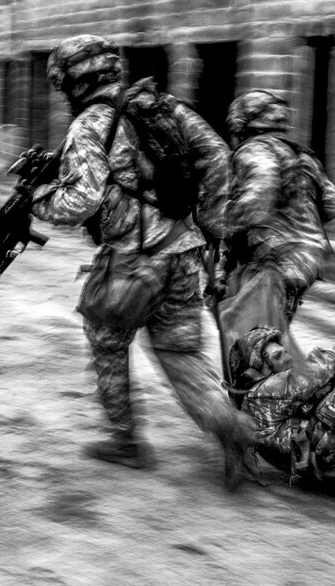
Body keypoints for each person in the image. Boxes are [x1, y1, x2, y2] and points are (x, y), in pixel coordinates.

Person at [30, 34, 256, 489]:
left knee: (106, 341)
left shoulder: (91, 125)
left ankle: (124, 441)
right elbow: (217, 156)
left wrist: (39, 202)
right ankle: (230, 426)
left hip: (133, 263)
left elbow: (81, 202)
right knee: (180, 352)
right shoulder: (166, 108)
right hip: (185, 253)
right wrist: (210, 221)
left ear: (72, 82)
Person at [216, 90, 335, 361]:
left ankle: (267, 395)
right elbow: (331, 206)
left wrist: (220, 225)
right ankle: (271, 389)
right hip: (308, 259)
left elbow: (258, 196)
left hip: (273, 260)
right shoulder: (303, 155)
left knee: (251, 340)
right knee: (270, 334)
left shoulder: (254, 150)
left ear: (241, 123)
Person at [228, 325, 335, 491]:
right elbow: (312, 375)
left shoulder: (260, 398)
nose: (288, 357)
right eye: (277, 356)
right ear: (254, 370)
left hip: (330, 456)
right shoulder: (260, 394)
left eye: (284, 352)